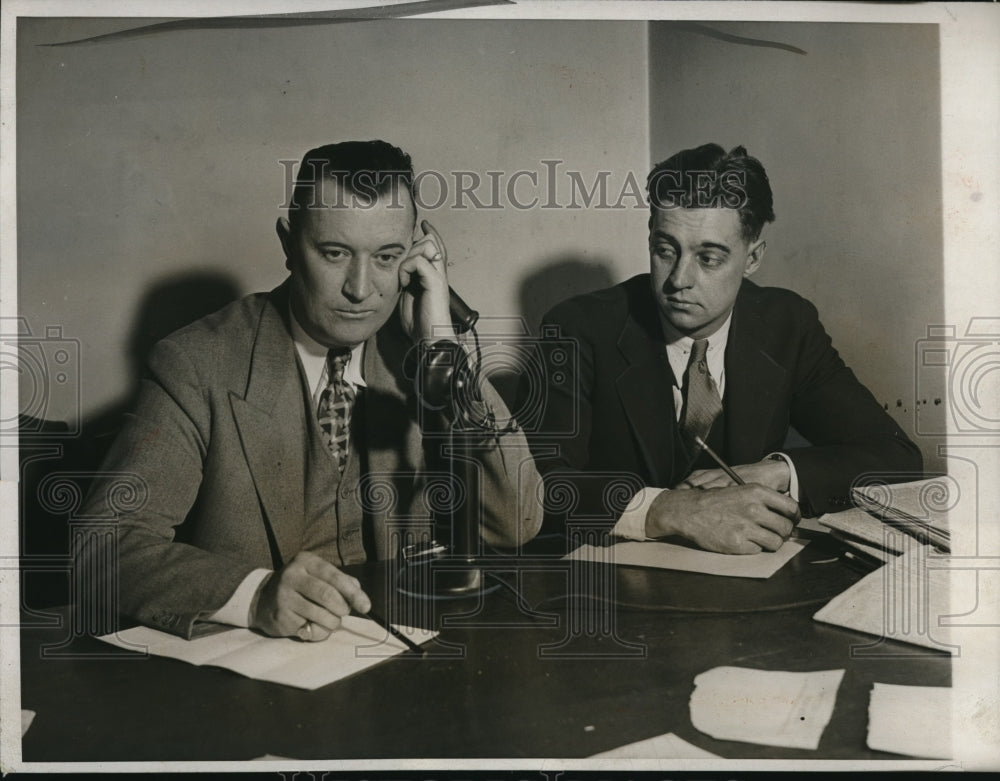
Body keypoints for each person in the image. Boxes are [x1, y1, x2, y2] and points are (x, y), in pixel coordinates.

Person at [75, 140, 542, 640]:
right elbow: (102, 546)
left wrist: (445, 351)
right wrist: (254, 595)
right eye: (335, 253)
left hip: (402, 658)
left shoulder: (423, 359)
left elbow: (518, 521)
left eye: (386, 257)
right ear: (288, 245)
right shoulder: (196, 364)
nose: (360, 289)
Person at [524, 143, 921, 554]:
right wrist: (668, 509)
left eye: (709, 258)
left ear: (752, 259)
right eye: (665, 250)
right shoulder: (578, 328)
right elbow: (529, 485)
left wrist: (777, 472)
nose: (679, 279)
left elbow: (896, 456)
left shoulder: (787, 325)